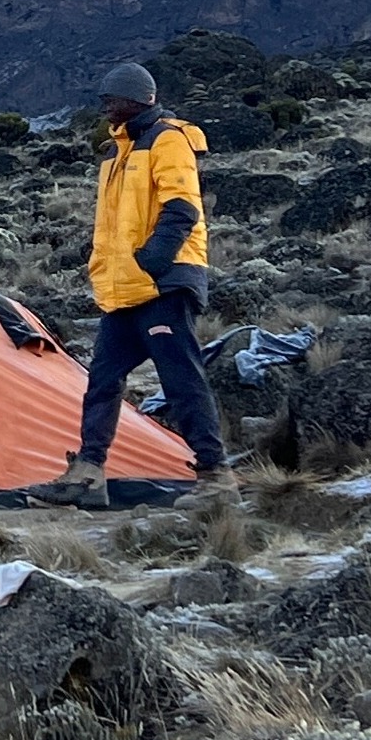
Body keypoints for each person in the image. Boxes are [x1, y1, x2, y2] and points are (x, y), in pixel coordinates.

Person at [50, 60, 233, 503]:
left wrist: (154, 259)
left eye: (112, 99)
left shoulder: (167, 139)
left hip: (163, 284)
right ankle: (88, 475)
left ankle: (216, 476)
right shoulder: (117, 153)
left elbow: (182, 207)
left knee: (180, 379)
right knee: (102, 381)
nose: (106, 107)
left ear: (137, 99)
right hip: (125, 290)